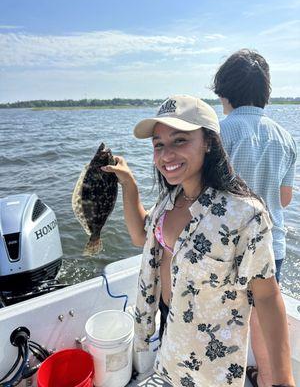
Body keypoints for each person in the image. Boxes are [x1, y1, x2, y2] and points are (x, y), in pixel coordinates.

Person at [102, 95, 295, 387]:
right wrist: (128, 184)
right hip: (171, 329)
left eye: (179, 140)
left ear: (208, 142)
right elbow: (141, 236)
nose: (166, 155)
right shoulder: (172, 198)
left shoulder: (245, 214)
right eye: (158, 144)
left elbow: (267, 297)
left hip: (212, 354)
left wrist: (283, 379)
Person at [212, 49, 297, 387]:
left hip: (227, 249)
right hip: (271, 244)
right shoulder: (286, 137)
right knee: (263, 316)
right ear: (266, 93)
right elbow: (284, 198)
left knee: (223, 317)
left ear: (223, 92)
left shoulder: (217, 133)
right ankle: (264, 377)